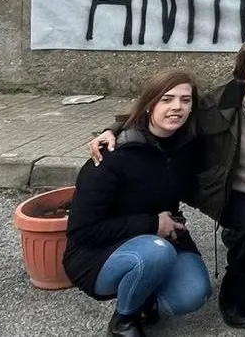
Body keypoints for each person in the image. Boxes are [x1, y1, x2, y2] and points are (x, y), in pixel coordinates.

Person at [87, 38, 245, 329]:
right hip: (228, 188)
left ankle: (244, 242)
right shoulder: (220, 103)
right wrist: (113, 129)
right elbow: (165, 116)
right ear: (244, 75)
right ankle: (234, 299)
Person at [64, 70, 211, 337]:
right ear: (150, 104)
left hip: (161, 235)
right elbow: (81, 231)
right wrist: (153, 224)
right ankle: (124, 319)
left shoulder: (185, 144)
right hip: (98, 254)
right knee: (157, 252)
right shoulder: (111, 156)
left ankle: (145, 299)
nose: (177, 106)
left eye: (185, 100)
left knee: (194, 293)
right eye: (167, 99)